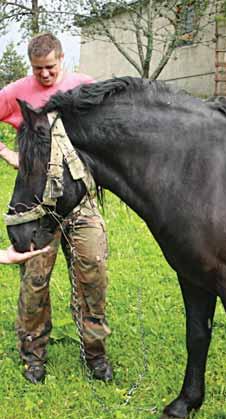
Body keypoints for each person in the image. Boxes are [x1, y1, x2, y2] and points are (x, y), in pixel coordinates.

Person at [0, 33, 113, 384]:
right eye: (38, 69)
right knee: (34, 284)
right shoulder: (16, 93)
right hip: (38, 207)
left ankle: (95, 353)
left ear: (62, 59)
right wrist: (7, 153)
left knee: (93, 274)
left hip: (81, 201)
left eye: (50, 67)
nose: (45, 75)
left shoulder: (83, 86)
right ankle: (33, 356)